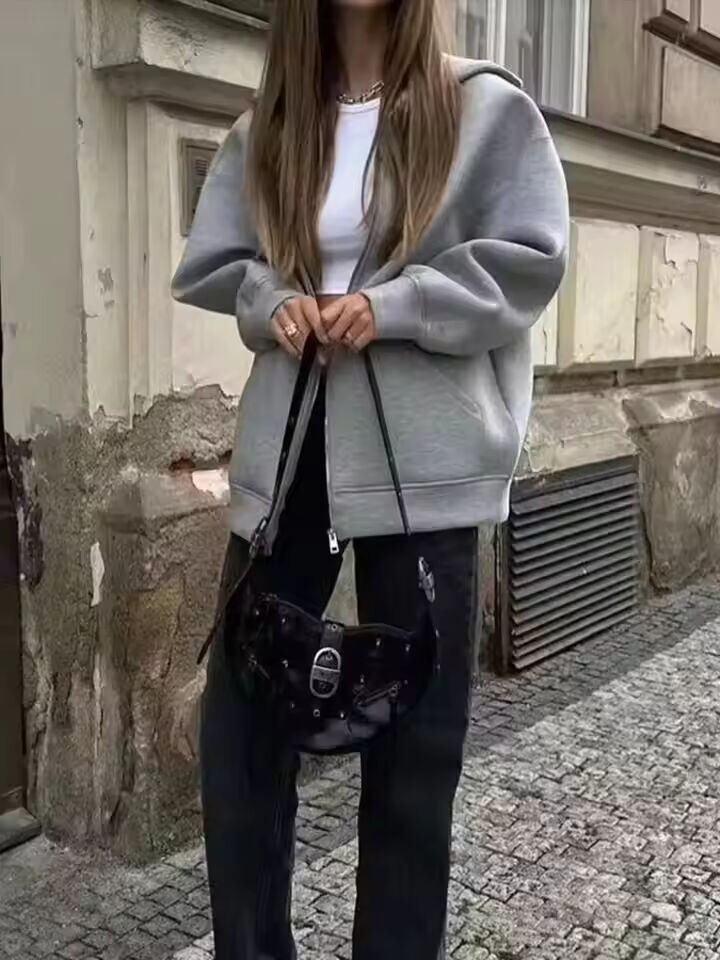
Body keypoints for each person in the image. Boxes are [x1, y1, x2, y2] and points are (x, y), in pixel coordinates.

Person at [172, 0, 568, 956]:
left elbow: (529, 262)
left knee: (413, 764)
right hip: (289, 451)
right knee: (238, 742)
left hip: (424, 459)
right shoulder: (272, 124)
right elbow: (224, 264)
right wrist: (274, 302)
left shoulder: (483, 109)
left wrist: (395, 304)